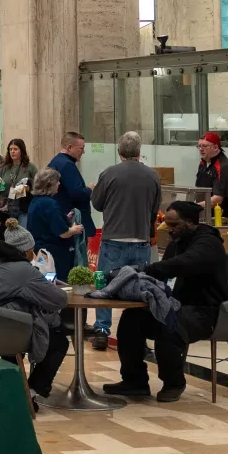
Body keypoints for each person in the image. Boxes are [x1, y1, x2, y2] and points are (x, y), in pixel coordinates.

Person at [105, 200, 228, 403]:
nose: (168, 230)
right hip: (174, 304)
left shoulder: (209, 244)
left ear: (190, 222)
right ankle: (134, 381)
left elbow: (181, 265)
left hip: (204, 311)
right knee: (132, 318)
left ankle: (174, 383)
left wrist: (147, 269)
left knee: (169, 324)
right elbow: (163, 274)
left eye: (174, 225)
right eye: (167, 224)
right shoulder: (178, 242)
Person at [0, 223, 71, 408]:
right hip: (7, 332)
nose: (34, 253)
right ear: (25, 251)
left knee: (18, 334)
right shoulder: (23, 271)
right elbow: (59, 299)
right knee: (58, 341)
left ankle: (11, 389)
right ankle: (29, 391)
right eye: (32, 250)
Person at [87, 131, 162, 349]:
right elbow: (155, 208)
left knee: (105, 285)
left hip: (113, 238)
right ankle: (138, 333)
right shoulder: (152, 176)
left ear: (119, 151)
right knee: (139, 286)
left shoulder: (109, 173)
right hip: (140, 239)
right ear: (139, 152)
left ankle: (101, 330)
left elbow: (98, 204)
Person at [23, 166, 82, 276]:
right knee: (58, 283)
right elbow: (63, 233)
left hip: (39, 251)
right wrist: (74, 229)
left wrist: (64, 217)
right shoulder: (50, 204)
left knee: (45, 279)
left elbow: (47, 221)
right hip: (55, 254)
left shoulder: (36, 201)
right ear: (49, 184)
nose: (59, 184)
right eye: (57, 181)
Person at [47, 132, 93, 267]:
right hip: (72, 219)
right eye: (81, 148)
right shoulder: (67, 165)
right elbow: (77, 193)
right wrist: (90, 189)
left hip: (63, 217)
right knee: (77, 259)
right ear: (69, 147)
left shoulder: (56, 161)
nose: (83, 152)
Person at [195, 132, 228, 221]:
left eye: (205, 146)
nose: (201, 149)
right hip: (208, 215)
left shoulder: (224, 167)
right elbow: (200, 191)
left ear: (216, 147)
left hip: (226, 218)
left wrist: (193, 207)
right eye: (199, 146)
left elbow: (217, 199)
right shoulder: (203, 163)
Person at [0, 138, 35, 218]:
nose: (12, 151)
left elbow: (39, 187)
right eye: (10, 149)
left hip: (24, 208)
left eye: (15, 149)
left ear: (22, 151)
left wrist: (29, 189)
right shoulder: (3, 167)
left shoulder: (30, 167)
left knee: (23, 230)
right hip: (6, 207)